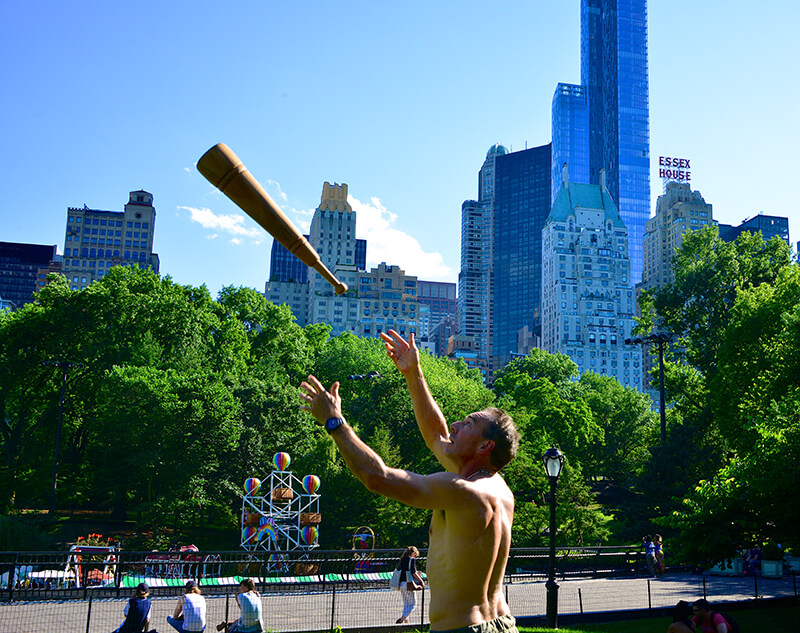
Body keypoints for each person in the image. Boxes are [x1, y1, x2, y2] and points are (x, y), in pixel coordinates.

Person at [300, 329, 520, 633]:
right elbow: (436, 436)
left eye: (467, 424)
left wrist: (335, 422)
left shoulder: (461, 491)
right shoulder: (498, 489)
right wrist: (413, 373)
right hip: (503, 623)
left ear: (485, 447)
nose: (455, 425)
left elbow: (377, 477)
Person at [395, 545, 425, 624]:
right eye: (415, 554)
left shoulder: (402, 559)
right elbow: (413, 572)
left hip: (401, 583)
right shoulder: (411, 560)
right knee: (413, 604)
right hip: (408, 583)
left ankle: (406, 621)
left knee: (406, 603)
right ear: (413, 553)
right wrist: (421, 581)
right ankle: (402, 618)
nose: (415, 555)